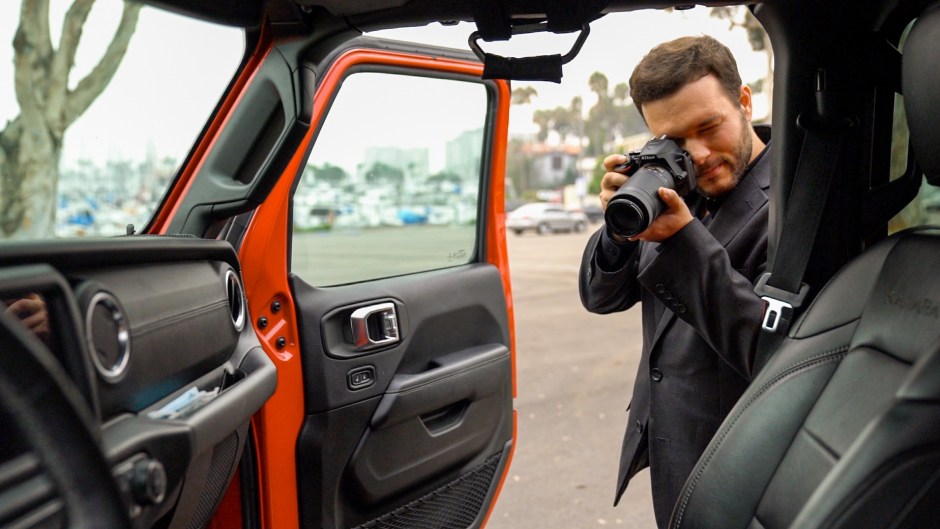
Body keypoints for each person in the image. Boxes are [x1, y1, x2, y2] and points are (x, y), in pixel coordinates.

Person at [578, 35, 771, 528]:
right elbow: (601, 297)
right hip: (672, 446)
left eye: (709, 127)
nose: (699, 154)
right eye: (676, 140)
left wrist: (683, 237)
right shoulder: (675, 184)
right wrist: (619, 231)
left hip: (744, 464)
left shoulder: (795, 201)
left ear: (744, 101)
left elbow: (773, 351)